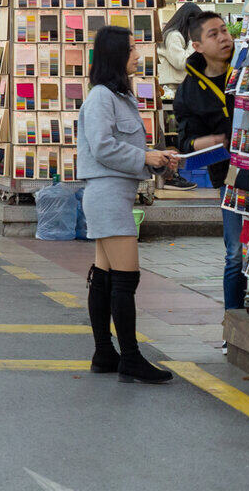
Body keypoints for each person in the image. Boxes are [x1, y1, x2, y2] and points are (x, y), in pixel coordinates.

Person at [78, 25, 179, 384]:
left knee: (105, 276)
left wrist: (154, 156)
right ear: (115, 55)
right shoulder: (101, 97)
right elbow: (103, 146)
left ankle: (105, 353)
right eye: (132, 49)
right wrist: (147, 157)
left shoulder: (119, 95)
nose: (138, 56)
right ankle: (131, 358)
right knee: (126, 278)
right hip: (106, 194)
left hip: (113, 192)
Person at [172, 10, 245, 312]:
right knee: (235, 252)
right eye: (213, 34)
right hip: (229, 177)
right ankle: (234, 321)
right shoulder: (189, 92)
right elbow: (186, 142)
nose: (224, 38)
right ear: (197, 45)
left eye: (225, 31)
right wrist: (209, 142)